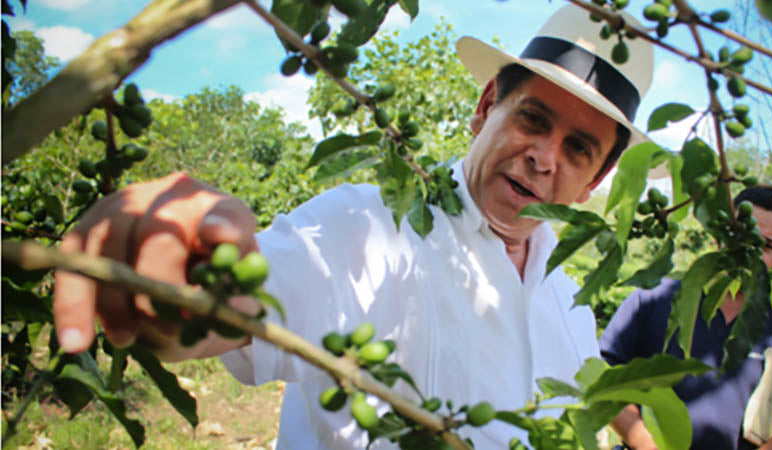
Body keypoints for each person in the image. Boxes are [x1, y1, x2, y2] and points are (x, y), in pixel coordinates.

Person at [51, 5, 656, 449]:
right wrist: (186, 263)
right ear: (486, 104)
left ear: (596, 179)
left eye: (578, 149)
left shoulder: (568, 299)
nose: (544, 157)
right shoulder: (368, 228)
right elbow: (228, 314)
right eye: (532, 118)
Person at [600, 187, 772, 450]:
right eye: (740, 237)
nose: (748, 253)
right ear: (720, 237)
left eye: (767, 246)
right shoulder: (654, 298)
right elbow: (605, 371)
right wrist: (645, 443)